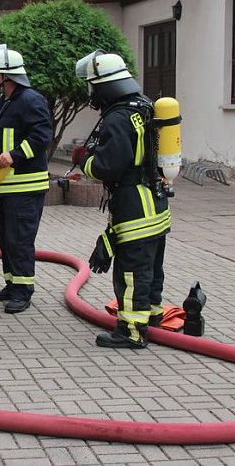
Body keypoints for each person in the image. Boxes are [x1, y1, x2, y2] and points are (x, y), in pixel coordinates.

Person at [73, 49, 171, 348]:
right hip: (156, 200)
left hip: (133, 204)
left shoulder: (118, 117)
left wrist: (85, 160)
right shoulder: (144, 106)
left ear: (102, 86)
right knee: (151, 267)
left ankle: (131, 330)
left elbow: (107, 167)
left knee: (130, 270)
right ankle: (152, 316)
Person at [0, 46, 52, 314]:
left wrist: (14, 155)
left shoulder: (30, 99)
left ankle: (24, 290)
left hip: (26, 186)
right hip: (7, 186)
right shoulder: (6, 100)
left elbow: (41, 136)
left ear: (6, 75)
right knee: (7, 238)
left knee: (20, 239)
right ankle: (12, 284)